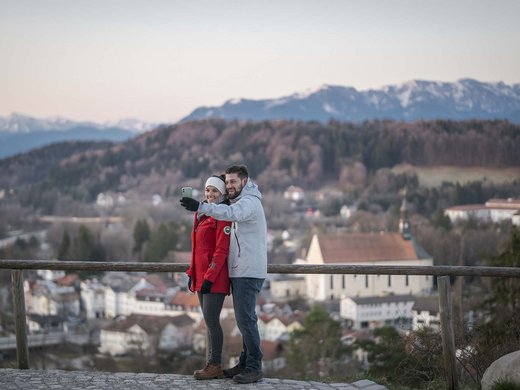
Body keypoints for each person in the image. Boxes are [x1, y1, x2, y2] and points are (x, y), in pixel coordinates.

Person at [181, 165, 267, 384]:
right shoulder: (239, 202)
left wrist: (201, 206)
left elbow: (230, 215)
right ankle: (245, 363)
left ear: (245, 181)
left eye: (233, 182)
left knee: (245, 320)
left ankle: (254, 367)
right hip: (239, 270)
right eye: (227, 182)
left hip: (248, 270)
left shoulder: (248, 203)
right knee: (244, 320)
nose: (230, 186)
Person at [185, 174, 232, 380]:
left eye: (214, 191)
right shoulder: (200, 214)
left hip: (214, 279)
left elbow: (221, 250)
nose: (210, 194)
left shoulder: (223, 215)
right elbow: (197, 250)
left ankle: (215, 365)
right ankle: (212, 365)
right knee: (208, 321)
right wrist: (191, 274)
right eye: (207, 190)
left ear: (222, 193)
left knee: (212, 322)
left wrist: (210, 278)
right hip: (200, 278)